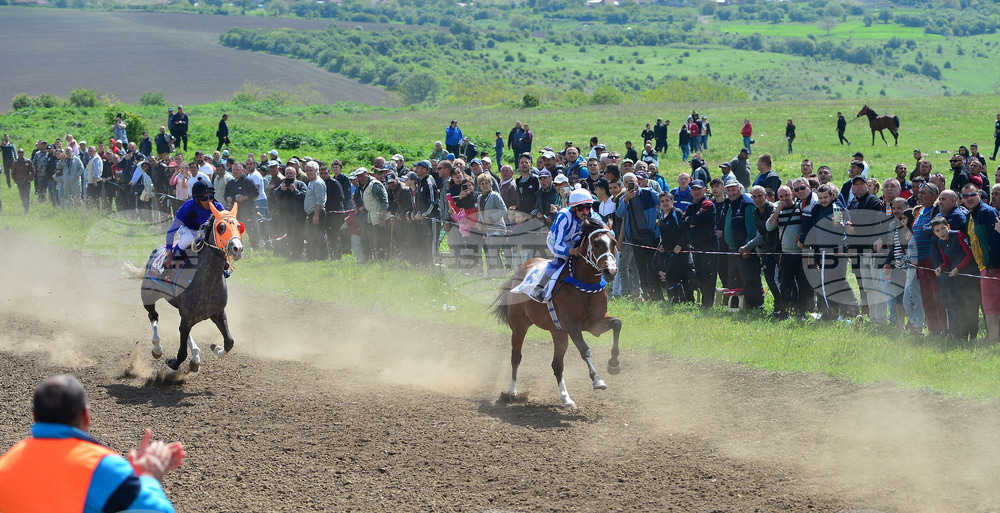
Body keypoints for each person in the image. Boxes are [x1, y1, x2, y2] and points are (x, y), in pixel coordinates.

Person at [0, 374, 185, 513]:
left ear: (34, 417)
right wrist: (149, 476)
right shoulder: (101, 465)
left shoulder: (6, 463)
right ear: (86, 416)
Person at [528, 188, 607, 301]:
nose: (585, 211)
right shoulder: (564, 216)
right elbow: (557, 246)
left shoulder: (593, 215)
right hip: (557, 241)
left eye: (588, 207)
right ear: (574, 208)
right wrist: (573, 251)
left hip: (576, 241)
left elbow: (607, 231)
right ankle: (539, 288)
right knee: (562, 258)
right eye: (581, 208)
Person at [617, 172, 664, 301]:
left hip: (651, 235)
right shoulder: (623, 198)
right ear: (623, 184)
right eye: (626, 182)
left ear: (637, 181)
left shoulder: (648, 193)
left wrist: (662, 219)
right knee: (641, 268)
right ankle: (647, 294)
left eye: (631, 181)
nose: (629, 184)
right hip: (636, 239)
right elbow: (619, 213)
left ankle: (658, 294)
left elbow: (664, 202)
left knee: (653, 266)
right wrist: (626, 200)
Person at [929, 216, 978, 341]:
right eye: (938, 230)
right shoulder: (940, 242)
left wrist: (958, 268)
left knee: (971, 306)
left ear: (948, 227)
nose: (942, 232)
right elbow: (947, 262)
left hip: (969, 275)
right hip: (957, 279)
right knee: (959, 306)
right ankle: (961, 335)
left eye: (943, 228)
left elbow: (969, 255)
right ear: (934, 233)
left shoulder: (959, 235)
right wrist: (940, 268)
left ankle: (973, 337)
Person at [164, 180, 229, 270]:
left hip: (203, 231)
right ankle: (168, 267)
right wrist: (169, 253)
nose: (209, 201)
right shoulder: (187, 207)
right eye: (204, 198)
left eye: (211, 197)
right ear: (196, 199)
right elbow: (171, 231)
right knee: (189, 239)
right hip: (186, 229)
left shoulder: (218, 207)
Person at [684, 179, 718, 309]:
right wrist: (691, 221)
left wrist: (692, 221)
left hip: (709, 246)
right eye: (693, 189)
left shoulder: (708, 203)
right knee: (699, 275)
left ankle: (707, 305)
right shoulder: (692, 205)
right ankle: (704, 303)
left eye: (698, 189)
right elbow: (685, 221)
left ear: (704, 190)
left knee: (708, 276)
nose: (696, 191)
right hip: (696, 246)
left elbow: (696, 219)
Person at [12, 148, 33, 213]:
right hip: (19, 182)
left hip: (26, 181)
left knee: (27, 195)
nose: (20, 153)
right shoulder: (15, 163)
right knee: (22, 195)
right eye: (19, 152)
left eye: (21, 152)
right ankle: (25, 207)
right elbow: (13, 173)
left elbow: (33, 170)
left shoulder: (28, 161)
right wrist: (15, 180)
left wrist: (30, 178)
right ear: (17, 154)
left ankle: (27, 209)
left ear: (23, 153)